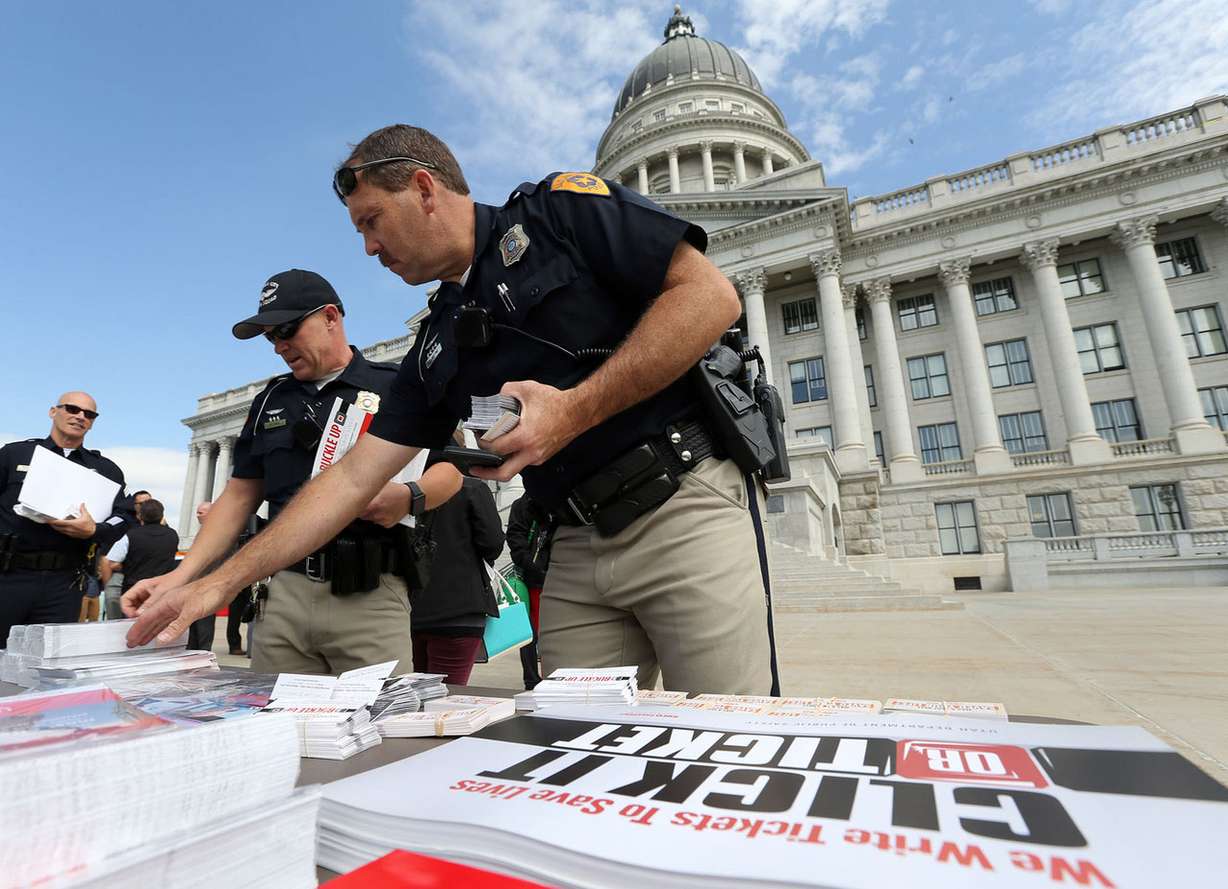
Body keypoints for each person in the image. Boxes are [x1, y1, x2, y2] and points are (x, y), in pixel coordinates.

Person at [127, 126, 775, 696]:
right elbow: (351, 479)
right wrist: (213, 581)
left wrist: (573, 410)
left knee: (733, 736)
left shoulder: (560, 214)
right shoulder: (437, 341)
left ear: (424, 188)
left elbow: (710, 297)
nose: (369, 249)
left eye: (371, 221)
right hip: (573, 543)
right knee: (575, 752)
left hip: (681, 504)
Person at [125, 269, 462, 675]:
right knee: (279, 722)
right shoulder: (270, 401)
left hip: (370, 591)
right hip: (281, 592)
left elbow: (452, 471)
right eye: (271, 337)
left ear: (331, 317)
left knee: (381, 721)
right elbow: (237, 497)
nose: (280, 346)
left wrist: (410, 497)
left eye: (288, 329)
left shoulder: (395, 387)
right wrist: (182, 574)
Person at [0, 393, 131, 645]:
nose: (80, 416)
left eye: (89, 414)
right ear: (53, 412)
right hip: (8, 576)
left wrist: (95, 530)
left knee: (47, 663)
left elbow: (124, 517)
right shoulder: (15, 455)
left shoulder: (106, 470)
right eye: (72, 409)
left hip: (64, 583)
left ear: (92, 422)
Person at [410, 445, 505, 685]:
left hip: (410, 608)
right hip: (461, 609)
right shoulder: (473, 488)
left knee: (411, 696)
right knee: (447, 696)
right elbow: (492, 543)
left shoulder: (404, 490)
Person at [506, 492, 551, 689]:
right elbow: (516, 540)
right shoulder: (524, 505)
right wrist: (535, 566)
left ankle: (533, 679)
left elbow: (515, 539)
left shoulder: (520, 505)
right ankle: (534, 679)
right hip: (537, 580)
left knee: (534, 632)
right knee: (534, 632)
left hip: (538, 576)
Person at [99, 490, 151, 620]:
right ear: (134, 505)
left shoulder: (158, 525)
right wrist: (109, 587)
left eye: (149, 503)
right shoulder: (122, 521)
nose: (146, 506)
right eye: (142, 503)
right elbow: (106, 559)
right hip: (120, 578)